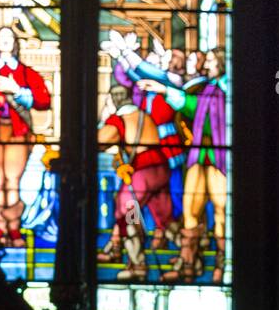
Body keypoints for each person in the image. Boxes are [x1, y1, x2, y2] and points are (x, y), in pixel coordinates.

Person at [140, 47, 228, 284]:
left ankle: (224, 263)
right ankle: (188, 263)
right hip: (200, 155)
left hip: (220, 158)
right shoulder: (208, 89)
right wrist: (164, 90)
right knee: (190, 209)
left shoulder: (228, 90)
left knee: (222, 211)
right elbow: (191, 106)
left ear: (222, 63)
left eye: (210, 61)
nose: (205, 66)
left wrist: (165, 90)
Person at [0, 26, 51, 247]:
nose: (5, 41)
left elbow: (44, 101)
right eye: (1, 37)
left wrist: (17, 90)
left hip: (17, 132)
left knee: (13, 181)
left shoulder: (26, 73)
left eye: (9, 37)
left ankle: (14, 229)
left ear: (15, 43)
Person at [97, 84, 172, 282]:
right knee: (161, 216)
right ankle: (188, 257)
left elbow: (99, 140)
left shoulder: (119, 119)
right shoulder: (143, 116)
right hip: (161, 169)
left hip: (142, 172)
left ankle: (137, 264)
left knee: (127, 210)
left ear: (113, 100)